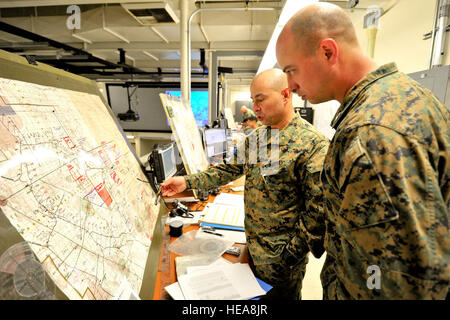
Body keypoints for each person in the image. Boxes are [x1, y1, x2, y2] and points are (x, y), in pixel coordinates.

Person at [276, 3, 449, 299]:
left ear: (327, 52)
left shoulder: (371, 133)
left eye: (291, 71)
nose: (289, 86)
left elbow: (394, 283)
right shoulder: (405, 96)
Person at [161, 68, 329, 299]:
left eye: (261, 99)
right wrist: (186, 181)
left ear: (286, 94)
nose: (255, 107)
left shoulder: (313, 145)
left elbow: (318, 214)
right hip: (252, 248)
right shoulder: (261, 135)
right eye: (253, 100)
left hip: (281, 263)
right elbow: (229, 169)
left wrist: (288, 256)